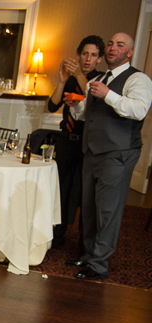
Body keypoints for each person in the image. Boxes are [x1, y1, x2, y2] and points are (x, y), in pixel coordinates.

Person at [67, 33, 152, 280]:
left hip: (118, 152)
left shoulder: (138, 78)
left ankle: (98, 266)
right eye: (111, 43)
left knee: (108, 210)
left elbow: (138, 109)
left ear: (129, 53)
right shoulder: (100, 78)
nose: (113, 47)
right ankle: (88, 256)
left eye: (120, 45)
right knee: (91, 208)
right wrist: (77, 106)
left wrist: (108, 94)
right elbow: (88, 115)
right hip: (92, 151)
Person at [47, 35, 105, 249]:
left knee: (83, 194)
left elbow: (95, 100)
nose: (88, 59)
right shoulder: (71, 77)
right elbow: (52, 107)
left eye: (93, 55)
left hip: (87, 144)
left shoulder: (101, 78)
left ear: (99, 59)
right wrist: (62, 80)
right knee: (60, 189)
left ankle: (83, 242)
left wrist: (80, 75)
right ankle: (57, 235)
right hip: (66, 141)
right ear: (79, 55)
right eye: (84, 54)